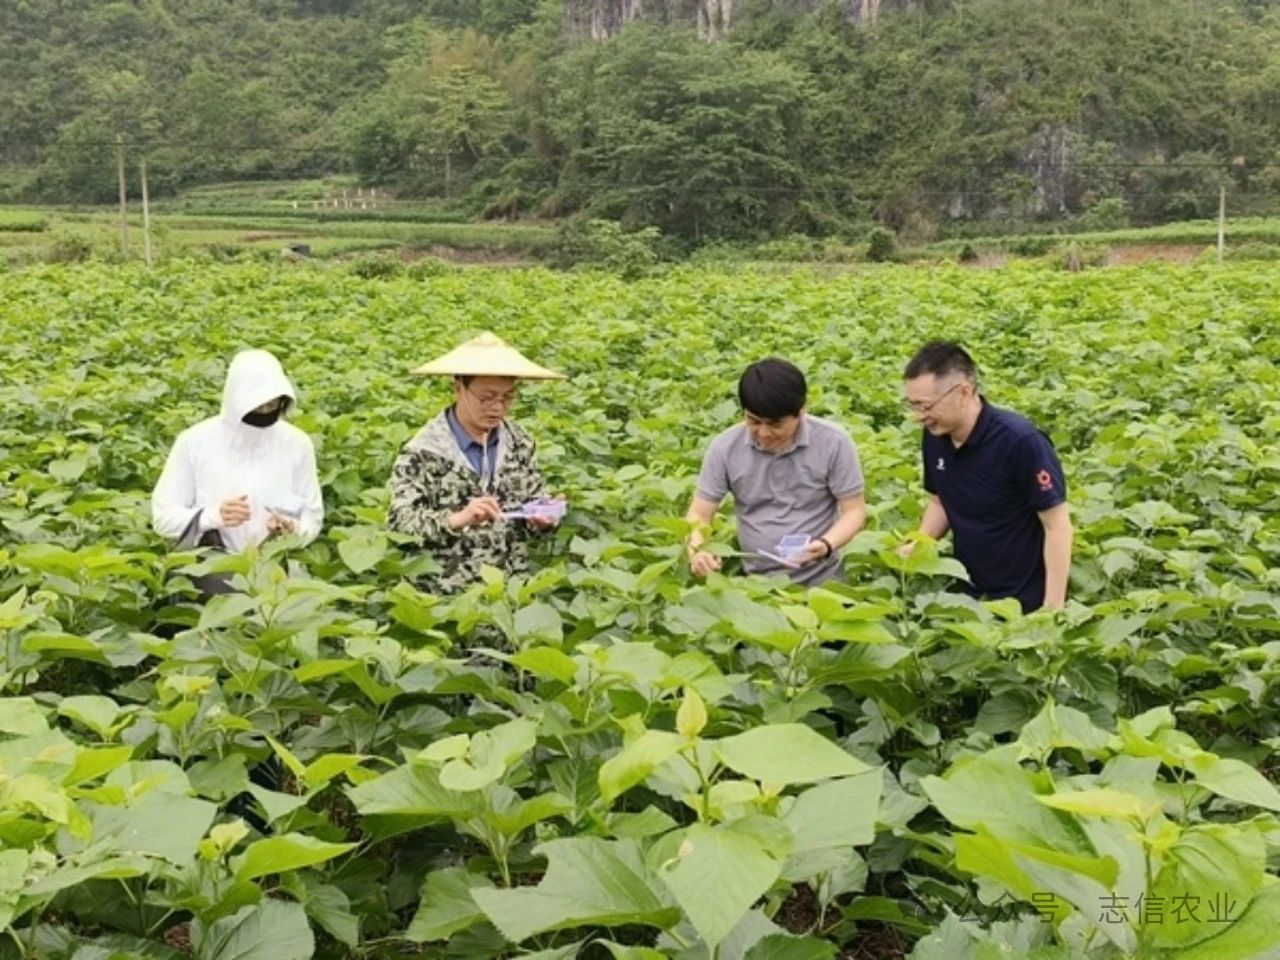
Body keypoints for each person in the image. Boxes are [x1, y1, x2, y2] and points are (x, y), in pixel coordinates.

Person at [899, 341, 1072, 612]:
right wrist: (918, 544)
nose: (919, 416)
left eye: (925, 406)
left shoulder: (1020, 441)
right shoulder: (935, 435)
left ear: (963, 393)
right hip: (967, 595)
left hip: (1023, 602)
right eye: (913, 406)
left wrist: (1052, 609)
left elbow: (1057, 526)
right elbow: (940, 501)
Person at [388, 332, 564, 593]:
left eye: (507, 398)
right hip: (444, 597)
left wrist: (544, 517)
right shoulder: (424, 451)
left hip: (508, 593)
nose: (498, 408)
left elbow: (533, 503)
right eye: (487, 398)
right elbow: (399, 523)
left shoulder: (519, 443)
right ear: (458, 388)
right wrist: (458, 519)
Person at [686, 358, 867, 586]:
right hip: (757, 585)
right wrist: (698, 550)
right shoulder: (725, 448)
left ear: (801, 410)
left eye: (775, 424)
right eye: (754, 421)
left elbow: (854, 511)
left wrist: (826, 544)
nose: (763, 433)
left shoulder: (834, 442)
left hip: (825, 583)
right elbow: (700, 514)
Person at [151, 348, 324, 554]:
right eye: (257, 406)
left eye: (272, 404)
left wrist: (293, 530)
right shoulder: (195, 442)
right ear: (236, 401)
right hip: (211, 564)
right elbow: (163, 519)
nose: (265, 412)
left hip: (274, 564)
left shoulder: (296, 444)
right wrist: (213, 516)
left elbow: (312, 517)